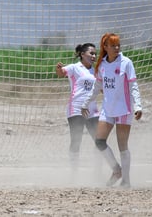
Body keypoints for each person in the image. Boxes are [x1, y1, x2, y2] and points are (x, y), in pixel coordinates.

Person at [82, 32, 142, 188]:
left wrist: (138, 106)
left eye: (118, 45)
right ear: (105, 47)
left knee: (123, 146)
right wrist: (86, 103)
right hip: (108, 109)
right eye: (113, 45)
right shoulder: (102, 65)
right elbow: (97, 87)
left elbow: (133, 85)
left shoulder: (126, 63)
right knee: (99, 141)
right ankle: (116, 170)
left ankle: (126, 181)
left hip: (124, 109)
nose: (117, 47)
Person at [55, 43, 99, 171]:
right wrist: (59, 68)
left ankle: (98, 169)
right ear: (82, 54)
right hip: (76, 108)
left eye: (95, 53)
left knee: (99, 140)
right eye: (91, 53)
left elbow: (100, 88)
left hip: (92, 109)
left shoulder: (95, 71)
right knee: (76, 140)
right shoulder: (75, 67)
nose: (94, 56)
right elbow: (61, 73)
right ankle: (74, 171)